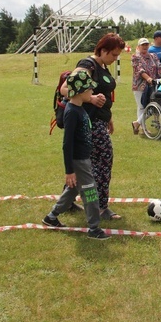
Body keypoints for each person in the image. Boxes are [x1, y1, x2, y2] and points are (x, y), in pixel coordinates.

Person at [61, 33, 125, 220]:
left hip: (99, 121)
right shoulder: (87, 65)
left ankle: (66, 202)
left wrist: (108, 117)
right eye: (113, 55)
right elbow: (66, 89)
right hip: (88, 123)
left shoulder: (102, 66)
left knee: (85, 165)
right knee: (103, 163)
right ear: (103, 50)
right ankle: (101, 207)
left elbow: (103, 96)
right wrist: (90, 98)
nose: (115, 59)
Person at [42, 71, 110, 240]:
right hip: (78, 160)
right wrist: (69, 170)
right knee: (91, 192)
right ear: (80, 92)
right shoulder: (72, 112)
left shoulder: (80, 108)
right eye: (89, 90)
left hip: (84, 158)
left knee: (72, 191)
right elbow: (67, 144)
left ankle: (51, 217)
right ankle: (94, 228)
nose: (92, 93)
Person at [130, 37, 161, 135]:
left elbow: (159, 66)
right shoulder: (135, 57)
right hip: (140, 86)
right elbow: (140, 70)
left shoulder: (153, 56)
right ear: (138, 46)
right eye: (143, 45)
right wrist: (148, 78)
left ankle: (137, 124)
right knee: (141, 107)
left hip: (153, 85)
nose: (145, 46)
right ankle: (143, 128)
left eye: (146, 44)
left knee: (152, 106)